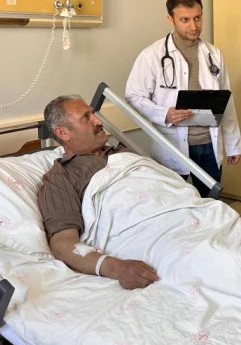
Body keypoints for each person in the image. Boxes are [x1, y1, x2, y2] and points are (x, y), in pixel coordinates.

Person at [126, 0, 241, 198]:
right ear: (170, 19)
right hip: (171, 145)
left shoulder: (214, 54)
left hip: (209, 145)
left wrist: (233, 144)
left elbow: (226, 101)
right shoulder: (152, 55)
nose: (193, 26)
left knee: (209, 205)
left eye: (197, 18)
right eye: (185, 20)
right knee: (173, 204)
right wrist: (165, 114)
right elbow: (133, 96)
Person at [37, 95, 160, 290]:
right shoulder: (61, 177)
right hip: (150, 234)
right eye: (86, 117)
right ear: (63, 133)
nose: (98, 121)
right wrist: (116, 268)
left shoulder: (122, 153)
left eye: (93, 114)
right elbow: (63, 243)